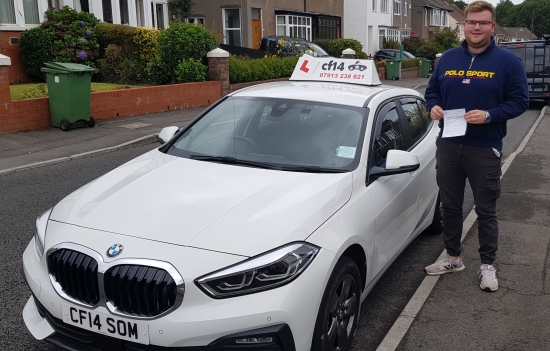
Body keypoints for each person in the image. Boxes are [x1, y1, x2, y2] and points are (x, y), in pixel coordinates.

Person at [423, 0, 528, 292]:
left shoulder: (508, 62)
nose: (476, 27)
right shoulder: (447, 59)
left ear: (492, 26)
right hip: (449, 144)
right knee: (451, 206)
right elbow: (432, 91)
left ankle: (487, 265)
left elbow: (520, 102)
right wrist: (433, 107)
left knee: (485, 209)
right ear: (464, 25)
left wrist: (490, 115)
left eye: (483, 22)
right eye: (471, 22)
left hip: (484, 147)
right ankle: (453, 258)